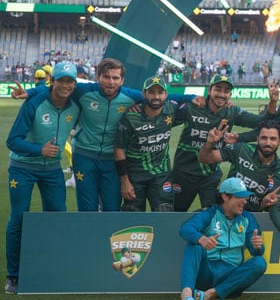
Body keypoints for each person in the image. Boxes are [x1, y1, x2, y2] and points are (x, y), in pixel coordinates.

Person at [11, 58, 200, 212]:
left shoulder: (131, 96)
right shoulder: (84, 91)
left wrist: (191, 98)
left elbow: (163, 97)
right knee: (88, 209)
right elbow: (57, 87)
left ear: (122, 80)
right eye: (106, 77)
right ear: (98, 77)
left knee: (112, 210)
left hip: (112, 160)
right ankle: (89, 252)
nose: (111, 82)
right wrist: (30, 92)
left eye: (116, 78)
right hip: (84, 157)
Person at [5, 62, 80, 294]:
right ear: (52, 81)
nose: (65, 85)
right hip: (23, 167)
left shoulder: (76, 104)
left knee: (58, 216)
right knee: (19, 217)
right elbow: (12, 141)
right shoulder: (35, 102)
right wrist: (39, 150)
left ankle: (52, 267)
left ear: (75, 84)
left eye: (70, 81)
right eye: (61, 80)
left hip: (52, 170)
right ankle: (14, 276)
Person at [172, 74, 277, 212]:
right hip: (183, 173)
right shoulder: (193, 107)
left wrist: (240, 137)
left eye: (226, 91)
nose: (222, 94)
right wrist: (189, 97)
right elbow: (163, 108)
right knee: (174, 214)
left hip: (210, 175)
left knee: (214, 216)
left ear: (230, 94)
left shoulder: (231, 111)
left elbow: (261, 123)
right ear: (210, 90)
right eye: (218, 89)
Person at [179, 177, 266, 300]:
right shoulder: (211, 213)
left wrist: (258, 246)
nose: (244, 201)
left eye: (245, 197)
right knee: (194, 245)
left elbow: (256, 252)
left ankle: (211, 294)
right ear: (225, 196)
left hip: (230, 277)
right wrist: (202, 239)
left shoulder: (248, 218)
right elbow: (185, 229)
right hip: (206, 272)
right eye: (239, 197)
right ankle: (186, 294)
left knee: (259, 262)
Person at [114, 76, 184, 212]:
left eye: (160, 92)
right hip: (134, 176)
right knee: (132, 216)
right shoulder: (130, 117)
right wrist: (124, 181)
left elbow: (197, 108)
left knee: (165, 213)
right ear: (144, 94)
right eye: (151, 92)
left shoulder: (172, 109)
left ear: (166, 95)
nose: (156, 96)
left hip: (161, 175)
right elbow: (119, 149)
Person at [198, 119, 280, 212]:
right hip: (222, 210)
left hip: (249, 219)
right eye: (264, 138)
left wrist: (264, 204)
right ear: (257, 139)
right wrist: (210, 144)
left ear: (279, 141)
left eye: (273, 139)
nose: (268, 143)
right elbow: (204, 158)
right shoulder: (241, 149)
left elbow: (269, 207)